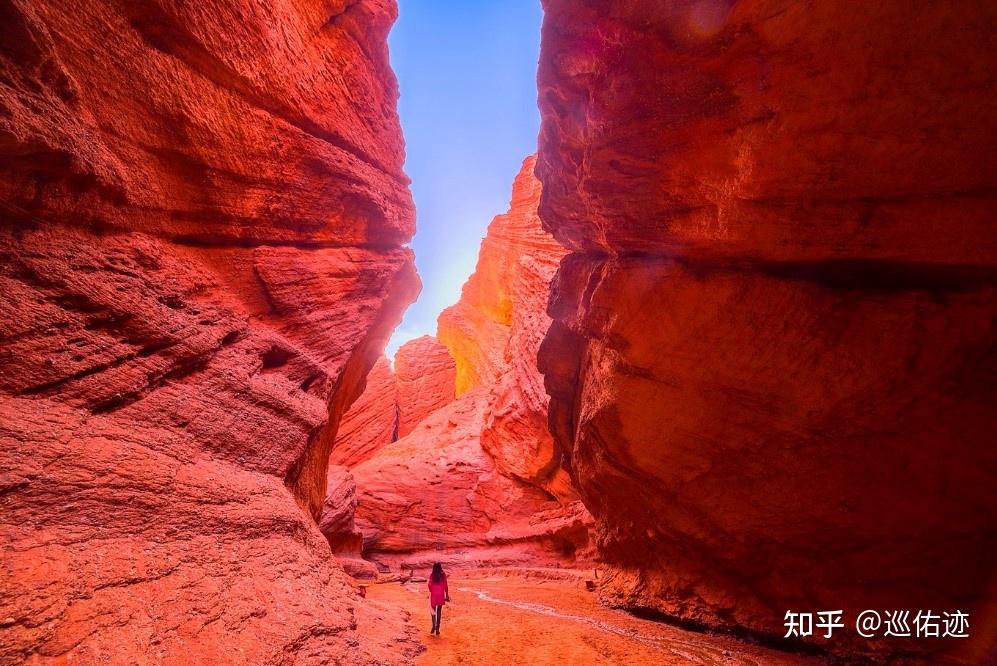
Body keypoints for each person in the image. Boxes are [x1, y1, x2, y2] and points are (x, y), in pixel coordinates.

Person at [427, 562, 450, 635]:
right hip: (440, 595)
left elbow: (429, 584)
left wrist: (431, 591)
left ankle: (433, 626)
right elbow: (446, 584)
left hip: (434, 594)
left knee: (433, 611)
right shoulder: (443, 574)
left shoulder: (432, 575)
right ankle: (437, 629)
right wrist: (447, 594)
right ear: (440, 567)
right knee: (439, 611)